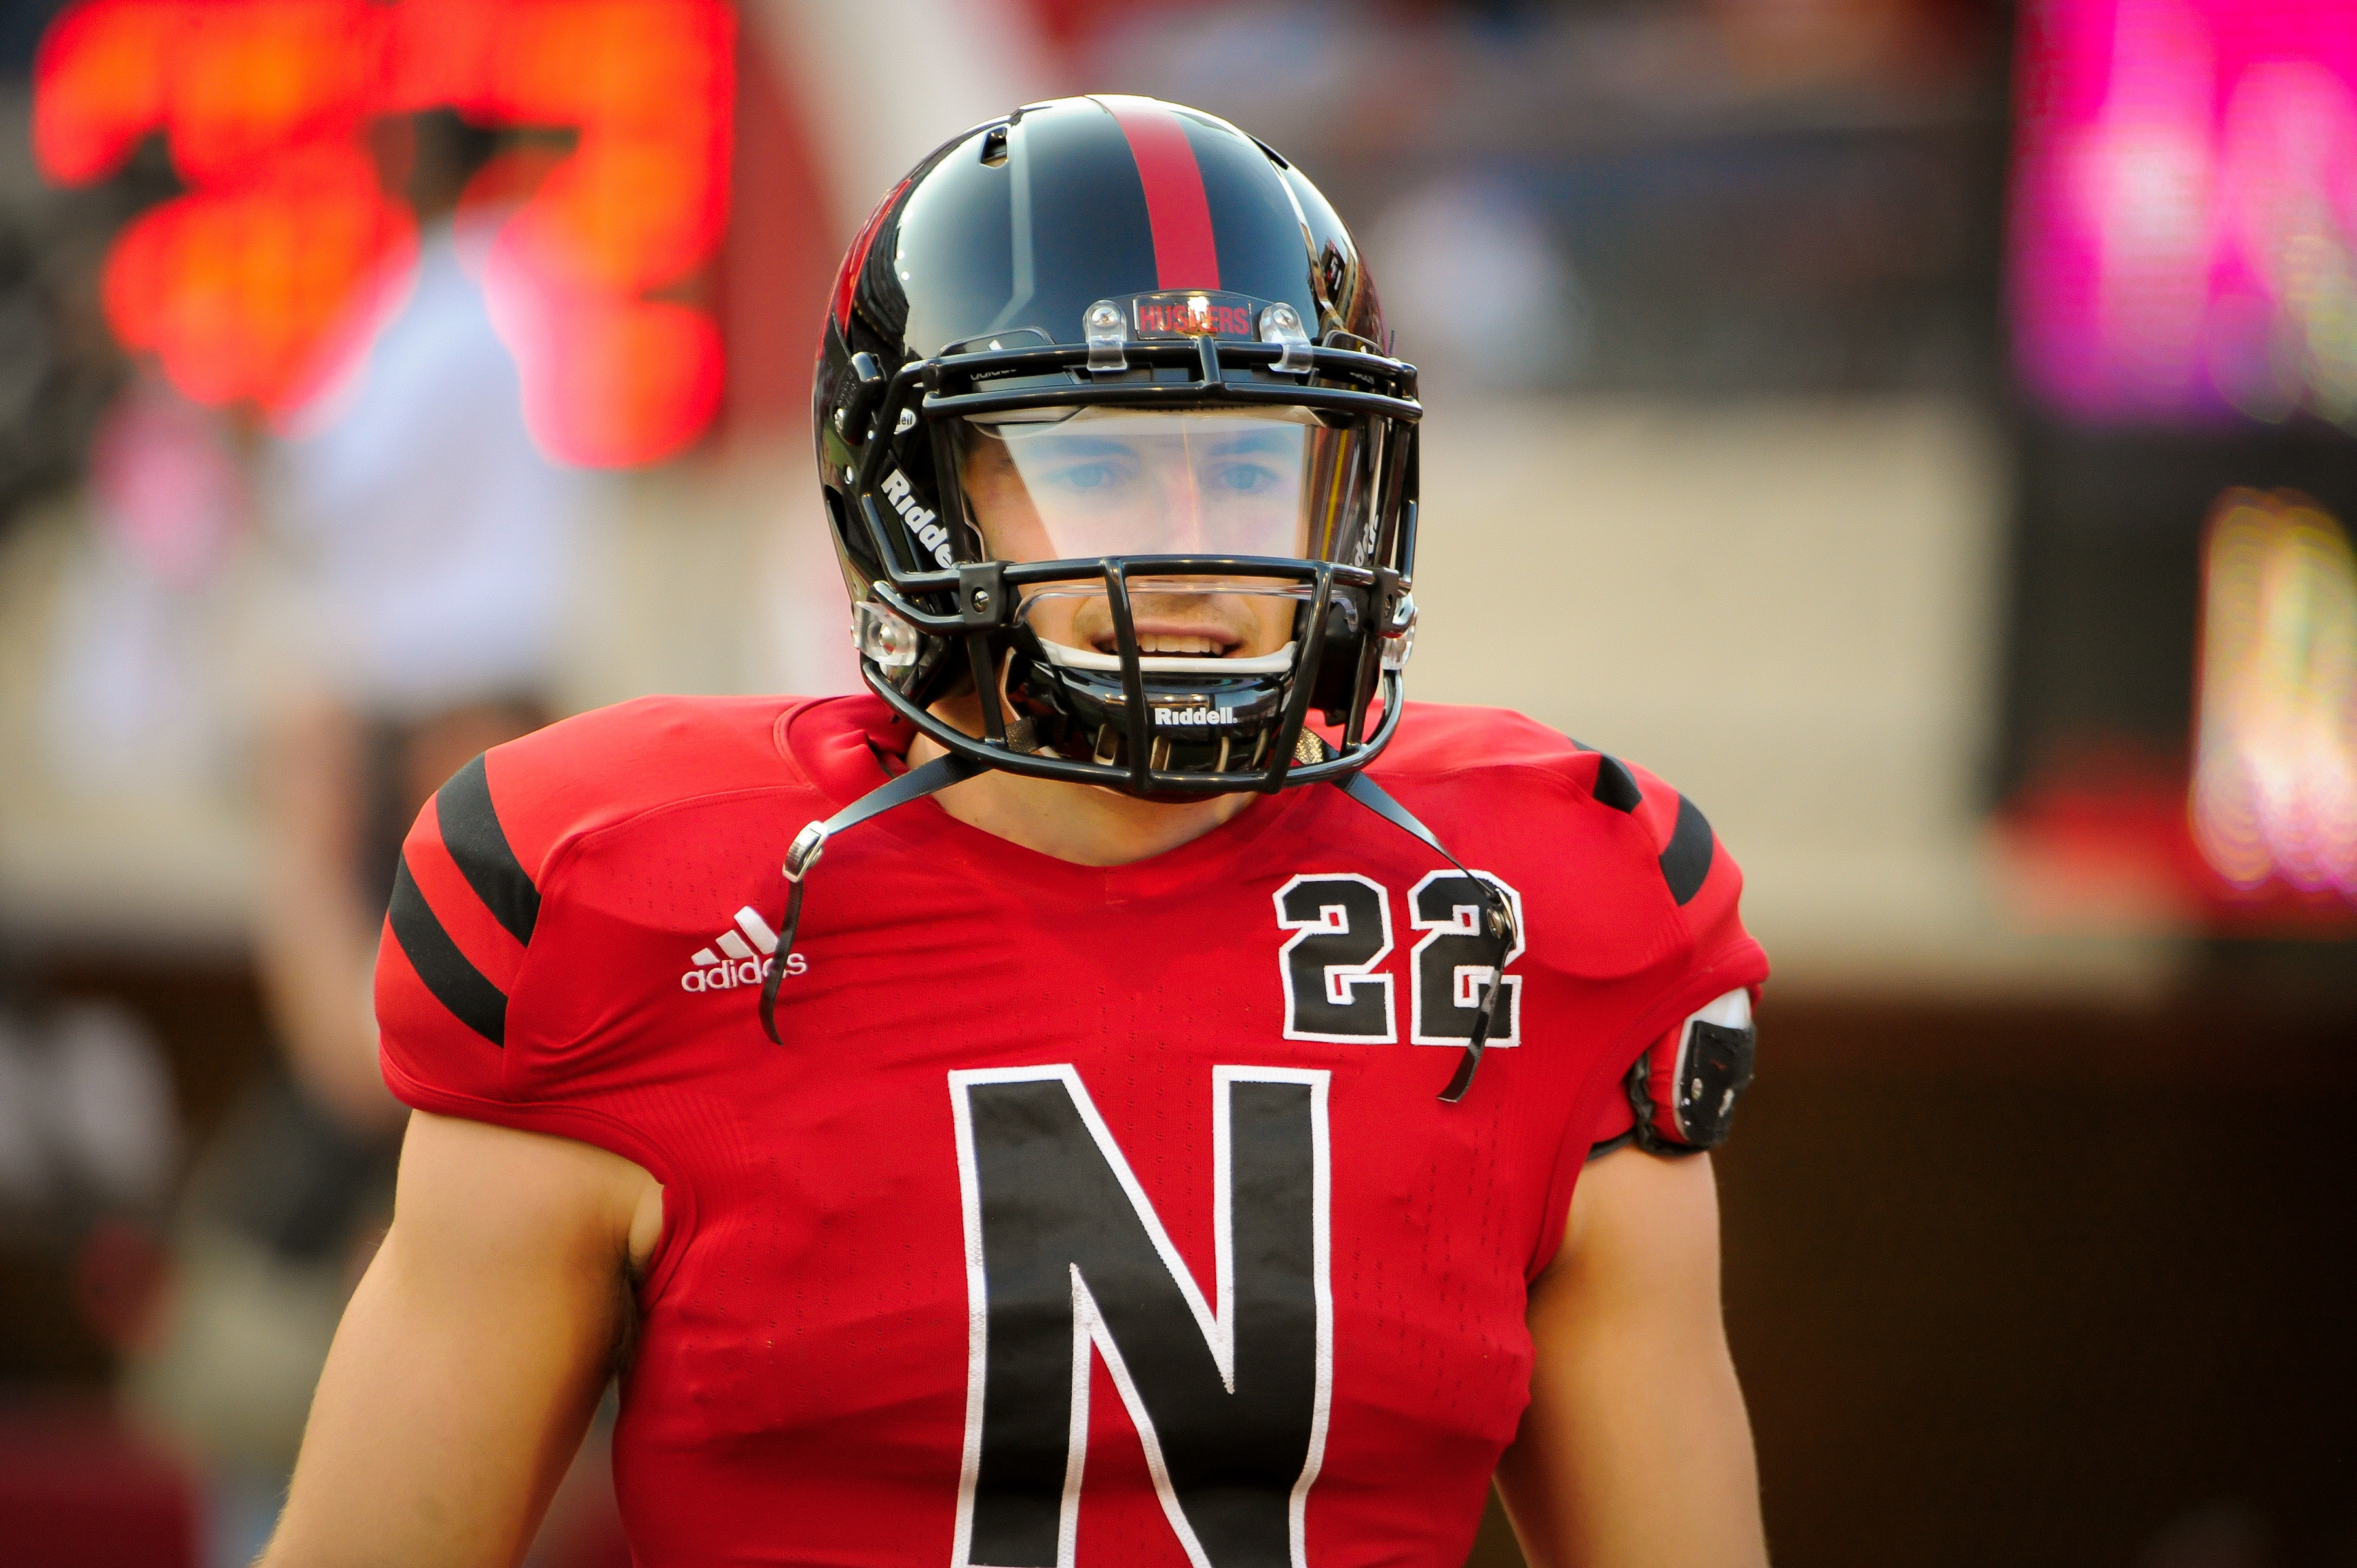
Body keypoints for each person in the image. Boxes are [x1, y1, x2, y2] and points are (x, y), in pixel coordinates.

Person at [261, 96, 1770, 1568]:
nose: (1196, 549)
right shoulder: (633, 912)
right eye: (1098, 462)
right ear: (917, 502)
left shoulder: (1539, 917)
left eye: (1251, 463)